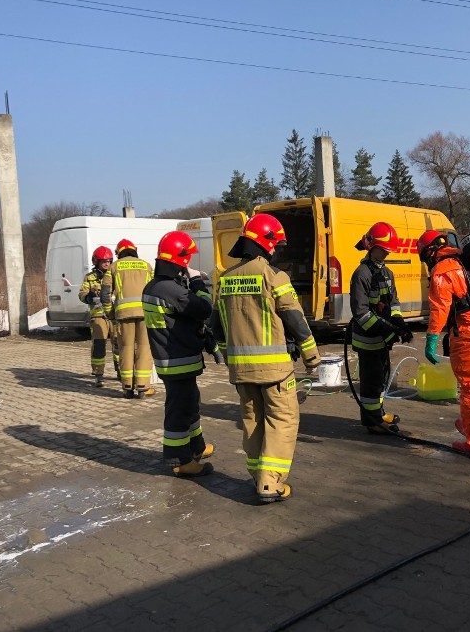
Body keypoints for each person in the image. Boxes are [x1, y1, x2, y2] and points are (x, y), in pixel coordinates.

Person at [209, 213, 320, 503]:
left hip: (241, 372)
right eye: (275, 246)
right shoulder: (274, 276)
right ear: (266, 244)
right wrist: (311, 356)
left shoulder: (226, 279)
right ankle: (270, 484)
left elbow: (217, 325)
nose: (275, 251)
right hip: (276, 371)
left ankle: (258, 477)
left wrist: (226, 352)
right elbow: (295, 320)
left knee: (252, 421)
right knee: (281, 420)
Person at [418, 230, 470, 455]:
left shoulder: (442, 270)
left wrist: (431, 339)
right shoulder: (468, 259)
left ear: (429, 252)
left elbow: (439, 309)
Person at [142, 231, 215, 478]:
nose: (189, 265)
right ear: (179, 260)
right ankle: (181, 460)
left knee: (189, 404)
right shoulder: (169, 289)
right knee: (179, 410)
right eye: (187, 261)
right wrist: (197, 283)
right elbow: (203, 308)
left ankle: (197, 446)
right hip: (177, 360)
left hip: (172, 358)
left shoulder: (155, 286)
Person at [348, 222, 413, 435]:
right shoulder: (362, 274)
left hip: (382, 339)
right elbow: (361, 313)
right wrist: (384, 329)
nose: (385, 255)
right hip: (368, 340)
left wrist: (399, 322)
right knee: (370, 383)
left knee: (382, 379)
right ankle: (372, 422)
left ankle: (378, 413)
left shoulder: (387, 273)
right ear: (371, 246)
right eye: (383, 251)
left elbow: (394, 301)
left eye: (388, 252)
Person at [101, 238, 156, 399]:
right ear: (134, 250)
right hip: (145, 314)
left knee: (126, 348)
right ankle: (143, 387)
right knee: (145, 348)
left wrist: (110, 313)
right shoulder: (146, 265)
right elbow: (154, 289)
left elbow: (105, 295)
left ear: (119, 253)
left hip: (124, 316)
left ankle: (127, 387)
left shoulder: (114, 267)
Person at [78, 246, 114, 388]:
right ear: (96, 262)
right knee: (99, 344)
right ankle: (98, 374)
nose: (107, 264)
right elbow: (81, 293)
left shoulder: (114, 274)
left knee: (118, 344)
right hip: (98, 315)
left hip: (113, 314)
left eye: (109, 261)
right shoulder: (90, 277)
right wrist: (88, 297)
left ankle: (121, 371)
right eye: (103, 261)